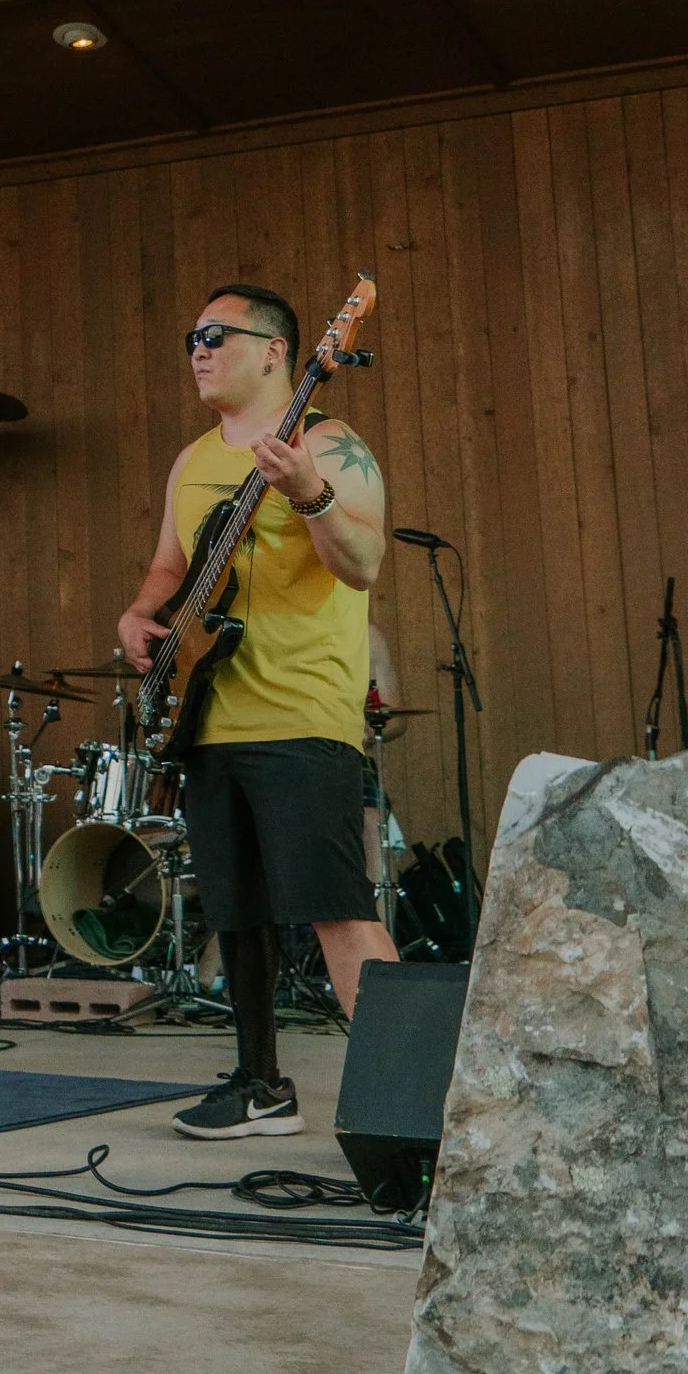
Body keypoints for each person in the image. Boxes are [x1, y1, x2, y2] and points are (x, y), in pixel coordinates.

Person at [116, 284, 396, 1138]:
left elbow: (363, 564)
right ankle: (260, 1081)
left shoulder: (331, 441)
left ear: (278, 350)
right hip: (210, 712)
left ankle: (419, 1102)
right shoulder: (193, 458)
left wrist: (310, 492)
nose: (198, 350)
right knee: (234, 913)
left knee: (336, 906)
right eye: (190, 338)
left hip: (303, 712)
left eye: (215, 335)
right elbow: (172, 569)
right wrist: (139, 615)